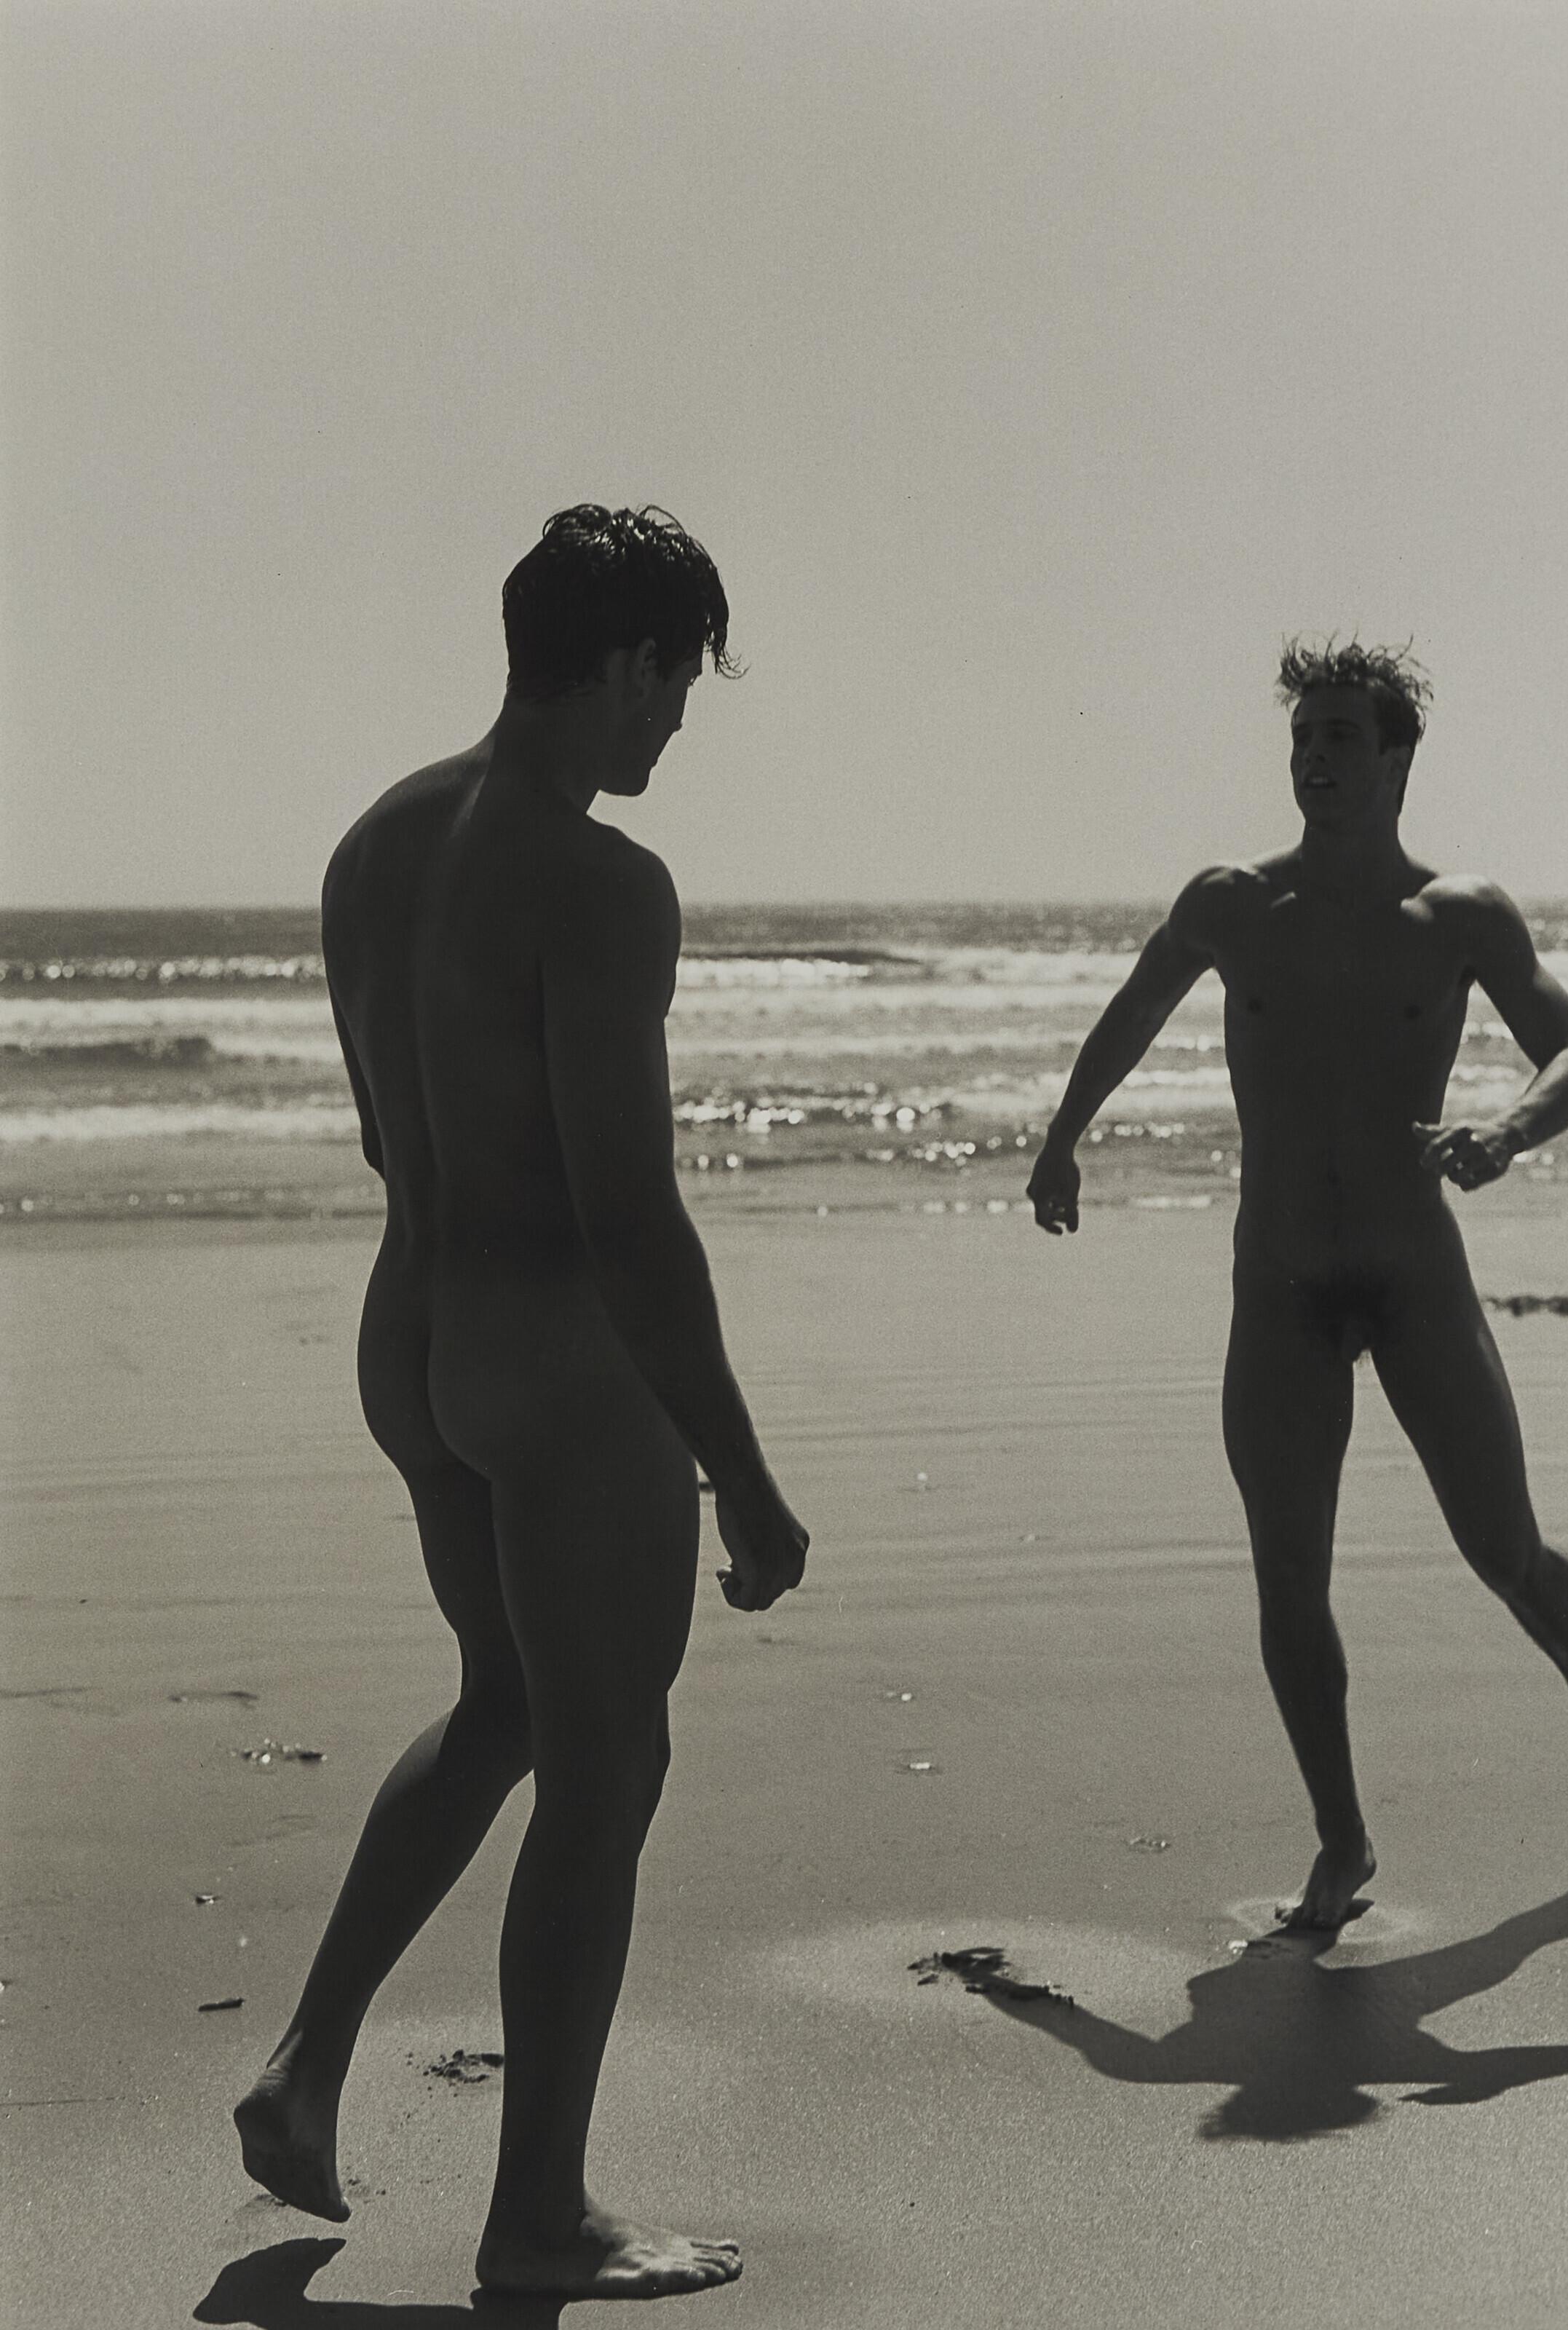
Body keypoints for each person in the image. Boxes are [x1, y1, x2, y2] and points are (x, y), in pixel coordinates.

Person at [234, 504, 809, 2300]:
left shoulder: (374, 843)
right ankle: (537, 2218)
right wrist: (743, 1471)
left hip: (409, 1332)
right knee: (608, 1757)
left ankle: (306, 2064)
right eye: (681, 684)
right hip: (558, 1358)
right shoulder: (598, 881)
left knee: (504, 1703)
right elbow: (629, 1217)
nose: (678, 729)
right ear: (627, 656)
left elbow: (378, 1129)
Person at [1026, 640, 1568, 1932]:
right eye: (1301, 738)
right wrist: (1061, 1137)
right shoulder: (1229, 904)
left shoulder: (1459, 916)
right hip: (1281, 1290)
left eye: (1339, 739)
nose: (1312, 759)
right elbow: (1130, 1015)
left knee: (1502, 1548)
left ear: (1396, 758)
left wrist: (1505, 1134)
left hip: (1416, 1276)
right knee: (1288, 1580)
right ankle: (1342, 1838)